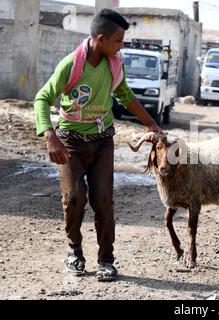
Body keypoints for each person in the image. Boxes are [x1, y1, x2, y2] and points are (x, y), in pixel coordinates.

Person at [34, 9, 163, 281]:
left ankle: (106, 260)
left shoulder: (114, 64)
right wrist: (50, 136)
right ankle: (74, 252)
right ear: (101, 39)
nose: (122, 46)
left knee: (103, 200)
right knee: (74, 198)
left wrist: (151, 124)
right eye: (119, 40)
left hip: (102, 140)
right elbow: (42, 98)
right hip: (71, 142)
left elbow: (125, 95)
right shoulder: (70, 65)